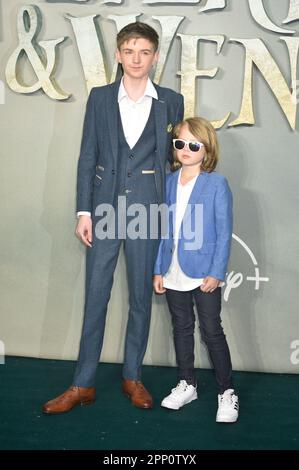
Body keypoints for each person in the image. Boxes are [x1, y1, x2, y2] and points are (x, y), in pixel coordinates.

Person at [42, 22, 184, 414]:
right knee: (96, 298)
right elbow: (88, 156)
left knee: (141, 299)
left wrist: (172, 217)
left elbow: (174, 162)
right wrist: (83, 210)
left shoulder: (171, 100)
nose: (136, 59)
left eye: (144, 52)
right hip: (104, 209)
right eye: (129, 51)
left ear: (155, 57)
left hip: (149, 210)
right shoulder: (100, 98)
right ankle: (82, 383)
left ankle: (132, 377)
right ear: (119, 55)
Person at [153, 117, 239, 423]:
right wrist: (158, 269)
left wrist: (216, 271)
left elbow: (223, 231)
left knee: (211, 330)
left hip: (204, 271)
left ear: (207, 148)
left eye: (194, 144)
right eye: (180, 143)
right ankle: (187, 383)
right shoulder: (166, 182)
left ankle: (227, 391)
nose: (186, 150)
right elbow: (163, 230)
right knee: (181, 327)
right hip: (173, 269)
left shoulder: (216, 183)